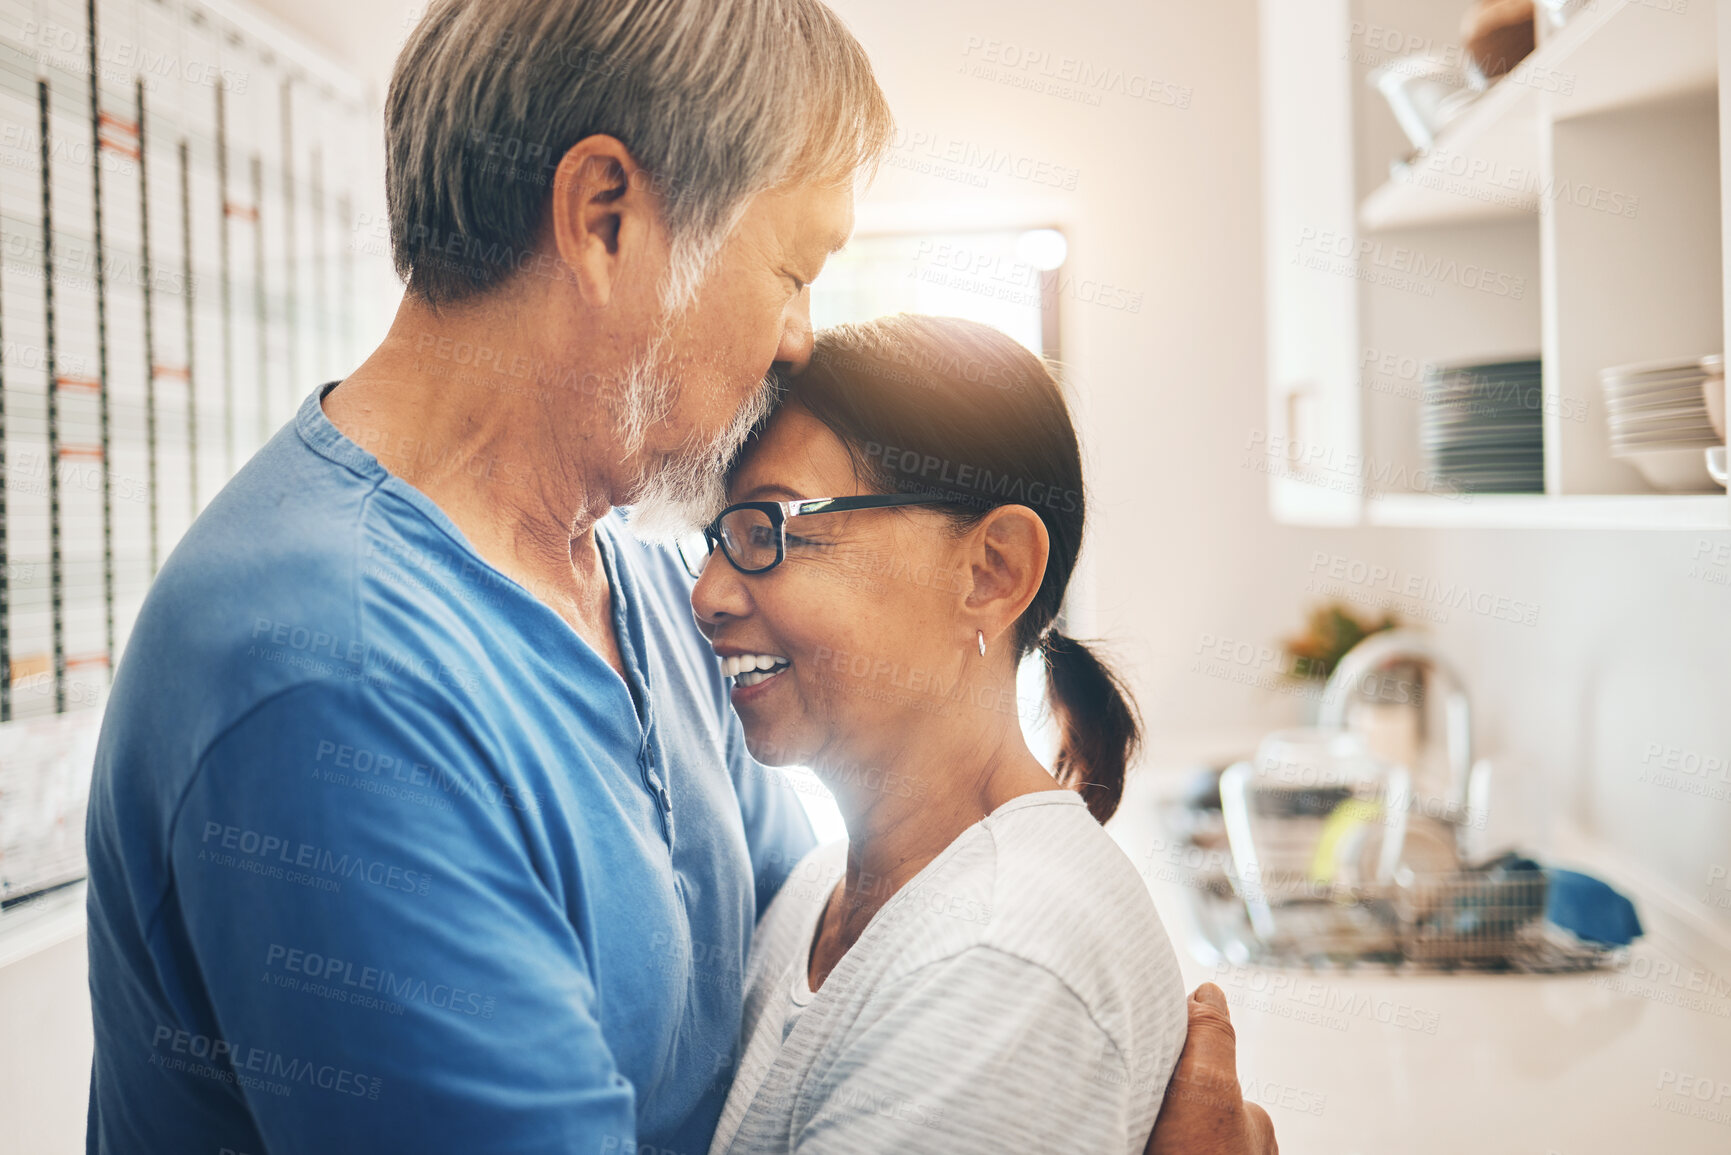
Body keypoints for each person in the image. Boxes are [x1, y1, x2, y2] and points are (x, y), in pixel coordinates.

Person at [82, 1, 1276, 1152]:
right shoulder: (332, 674)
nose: (799, 339)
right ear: (606, 217)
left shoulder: (646, 593)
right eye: (793, 270)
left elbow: (807, 981)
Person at [684, 315, 1179, 1152]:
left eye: (771, 530)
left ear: (991, 572)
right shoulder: (820, 888)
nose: (707, 595)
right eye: (722, 536)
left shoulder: (997, 965)